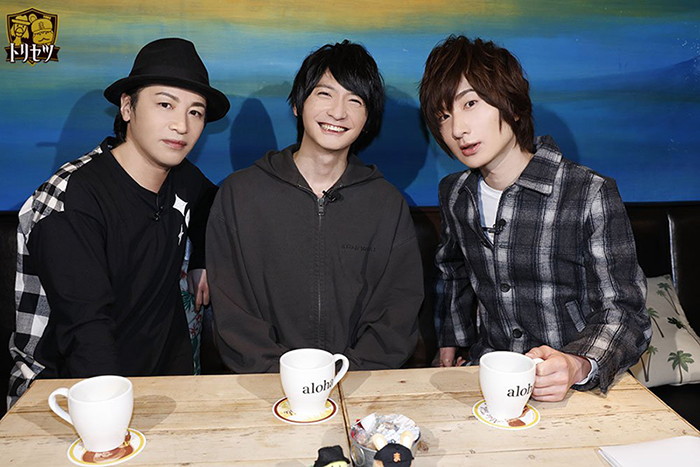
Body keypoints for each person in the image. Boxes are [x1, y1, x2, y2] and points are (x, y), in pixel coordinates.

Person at [419, 35, 651, 401]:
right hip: (490, 377)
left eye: (470, 104)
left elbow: (625, 311)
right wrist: (452, 338)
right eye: (443, 115)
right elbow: (454, 271)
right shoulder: (455, 193)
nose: (457, 129)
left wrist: (577, 363)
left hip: (574, 387)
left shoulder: (587, 191)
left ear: (512, 106)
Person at [8, 38, 229, 405]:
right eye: (165, 104)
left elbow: (212, 202)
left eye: (195, 112)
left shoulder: (182, 178)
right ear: (128, 107)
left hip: (163, 382)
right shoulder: (71, 198)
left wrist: (202, 259)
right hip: (68, 393)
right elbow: (85, 330)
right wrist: (111, 414)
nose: (181, 125)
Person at [207, 40, 423, 373]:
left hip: (357, 385)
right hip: (264, 385)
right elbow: (233, 312)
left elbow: (397, 312)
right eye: (325, 94)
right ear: (298, 104)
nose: (338, 112)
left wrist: (345, 376)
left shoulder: (387, 205)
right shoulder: (240, 194)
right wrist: (283, 377)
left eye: (355, 100)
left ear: (368, 119)